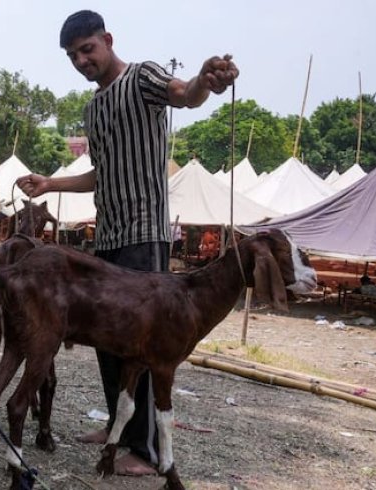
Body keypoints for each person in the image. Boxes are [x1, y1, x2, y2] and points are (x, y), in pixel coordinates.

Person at [16, 10, 238, 477]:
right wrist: (50, 184)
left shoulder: (143, 77)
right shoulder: (93, 109)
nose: (81, 60)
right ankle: (117, 429)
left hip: (144, 232)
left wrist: (206, 79)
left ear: (107, 40)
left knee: (144, 343)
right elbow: (101, 173)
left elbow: (185, 95)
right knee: (106, 337)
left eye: (87, 49)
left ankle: (143, 449)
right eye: (73, 55)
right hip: (109, 234)